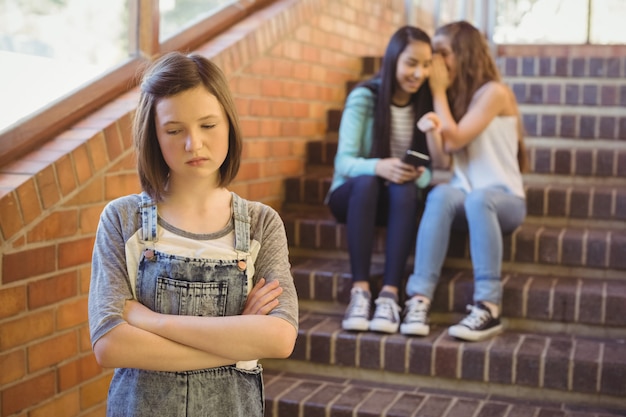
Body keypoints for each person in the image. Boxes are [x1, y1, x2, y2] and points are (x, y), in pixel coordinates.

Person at [88, 51, 298, 417]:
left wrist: (152, 322)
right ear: (153, 135)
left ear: (229, 123)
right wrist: (239, 341)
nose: (193, 144)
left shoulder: (262, 223)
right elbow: (111, 345)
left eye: (208, 125)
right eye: (174, 130)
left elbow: (280, 338)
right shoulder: (123, 220)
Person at [400, 21, 528, 342]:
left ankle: (489, 305)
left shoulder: (495, 93)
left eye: (443, 53)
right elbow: (444, 160)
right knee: (441, 193)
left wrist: (439, 93)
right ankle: (418, 298)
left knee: (478, 198)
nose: (437, 63)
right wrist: (432, 129)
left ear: (466, 53)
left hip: (504, 200)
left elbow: (455, 140)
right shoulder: (456, 100)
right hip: (467, 198)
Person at [326, 26, 434, 334]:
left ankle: (389, 295)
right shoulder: (365, 97)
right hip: (354, 195)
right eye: (411, 63)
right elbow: (343, 161)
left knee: (406, 188)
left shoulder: (424, 103)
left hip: (396, 198)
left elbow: (431, 169)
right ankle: (360, 290)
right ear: (393, 59)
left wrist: (418, 175)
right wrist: (379, 167)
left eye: (426, 66)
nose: (419, 73)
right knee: (368, 182)